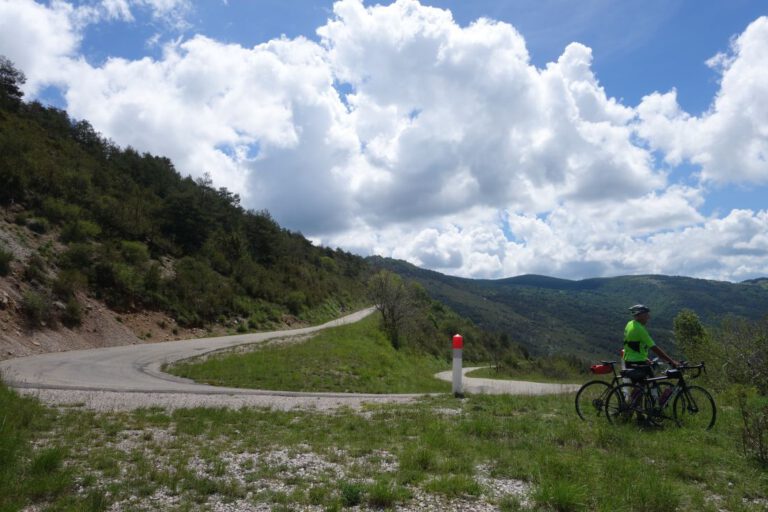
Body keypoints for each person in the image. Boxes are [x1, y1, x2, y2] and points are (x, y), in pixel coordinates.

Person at [623, 304, 679, 381]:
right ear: (639, 315)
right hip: (637, 362)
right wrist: (671, 361)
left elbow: (632, 344)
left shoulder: (630, 324)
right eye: (646, 314)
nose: (648, 317)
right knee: (650, 385)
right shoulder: (639, 329)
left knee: (641, 387)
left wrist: (644, 358)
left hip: (630, 360)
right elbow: (654, 348)